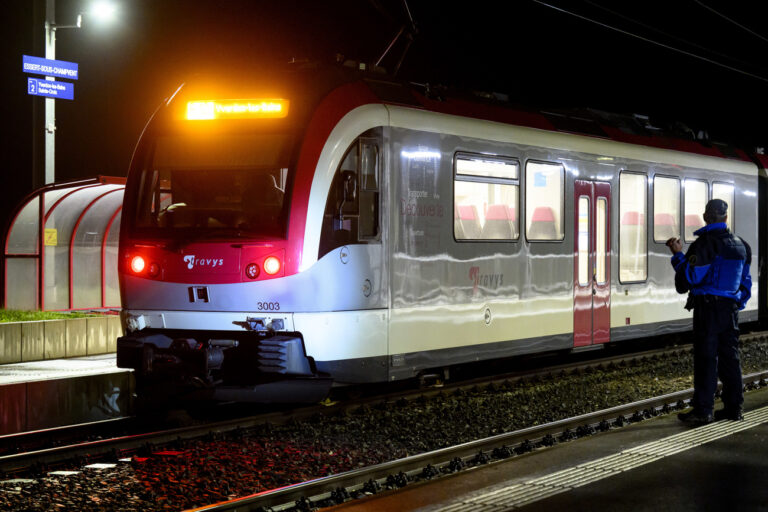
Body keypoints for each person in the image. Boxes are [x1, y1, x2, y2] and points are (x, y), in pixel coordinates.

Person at [666, 198, 752, 425]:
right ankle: (735, 408)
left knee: (706, 359)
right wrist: (734, 304)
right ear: (725, 217)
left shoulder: (704, 244)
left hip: (708, 309)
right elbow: (746, 285)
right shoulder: (742, 245)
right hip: (730, 310)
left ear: (706, 217)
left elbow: (689, 279)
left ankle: (704, 410)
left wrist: (677, 255)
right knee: (730, 359)